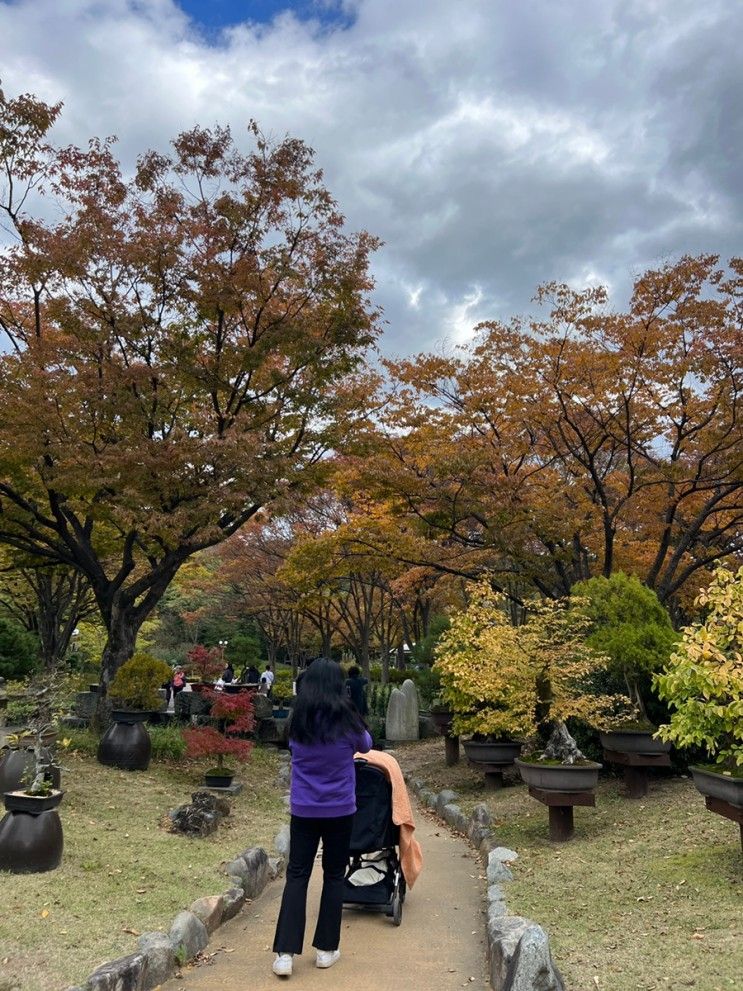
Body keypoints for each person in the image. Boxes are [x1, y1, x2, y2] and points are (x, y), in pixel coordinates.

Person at [272, 658, 372, 978]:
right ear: (337, 686)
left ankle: (285, 954)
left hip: (304, 808)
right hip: (340, 809)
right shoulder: (347, 720)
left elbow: (289, 747)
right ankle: (326, 949)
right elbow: (367, 746)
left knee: (297, 875)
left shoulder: (297, 720)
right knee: (333, 875)